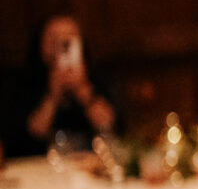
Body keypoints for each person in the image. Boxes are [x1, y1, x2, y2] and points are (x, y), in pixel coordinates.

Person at [2, 15, 116, 158]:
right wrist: (53, 96)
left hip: (89, 167)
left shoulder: (97, 78)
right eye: (53, 38)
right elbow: (26, 138)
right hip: (37, 168)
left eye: (69, 38)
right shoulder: (23, 82)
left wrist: (83, 91)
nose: (62, 44)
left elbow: (109, 128)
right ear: (40, 44)